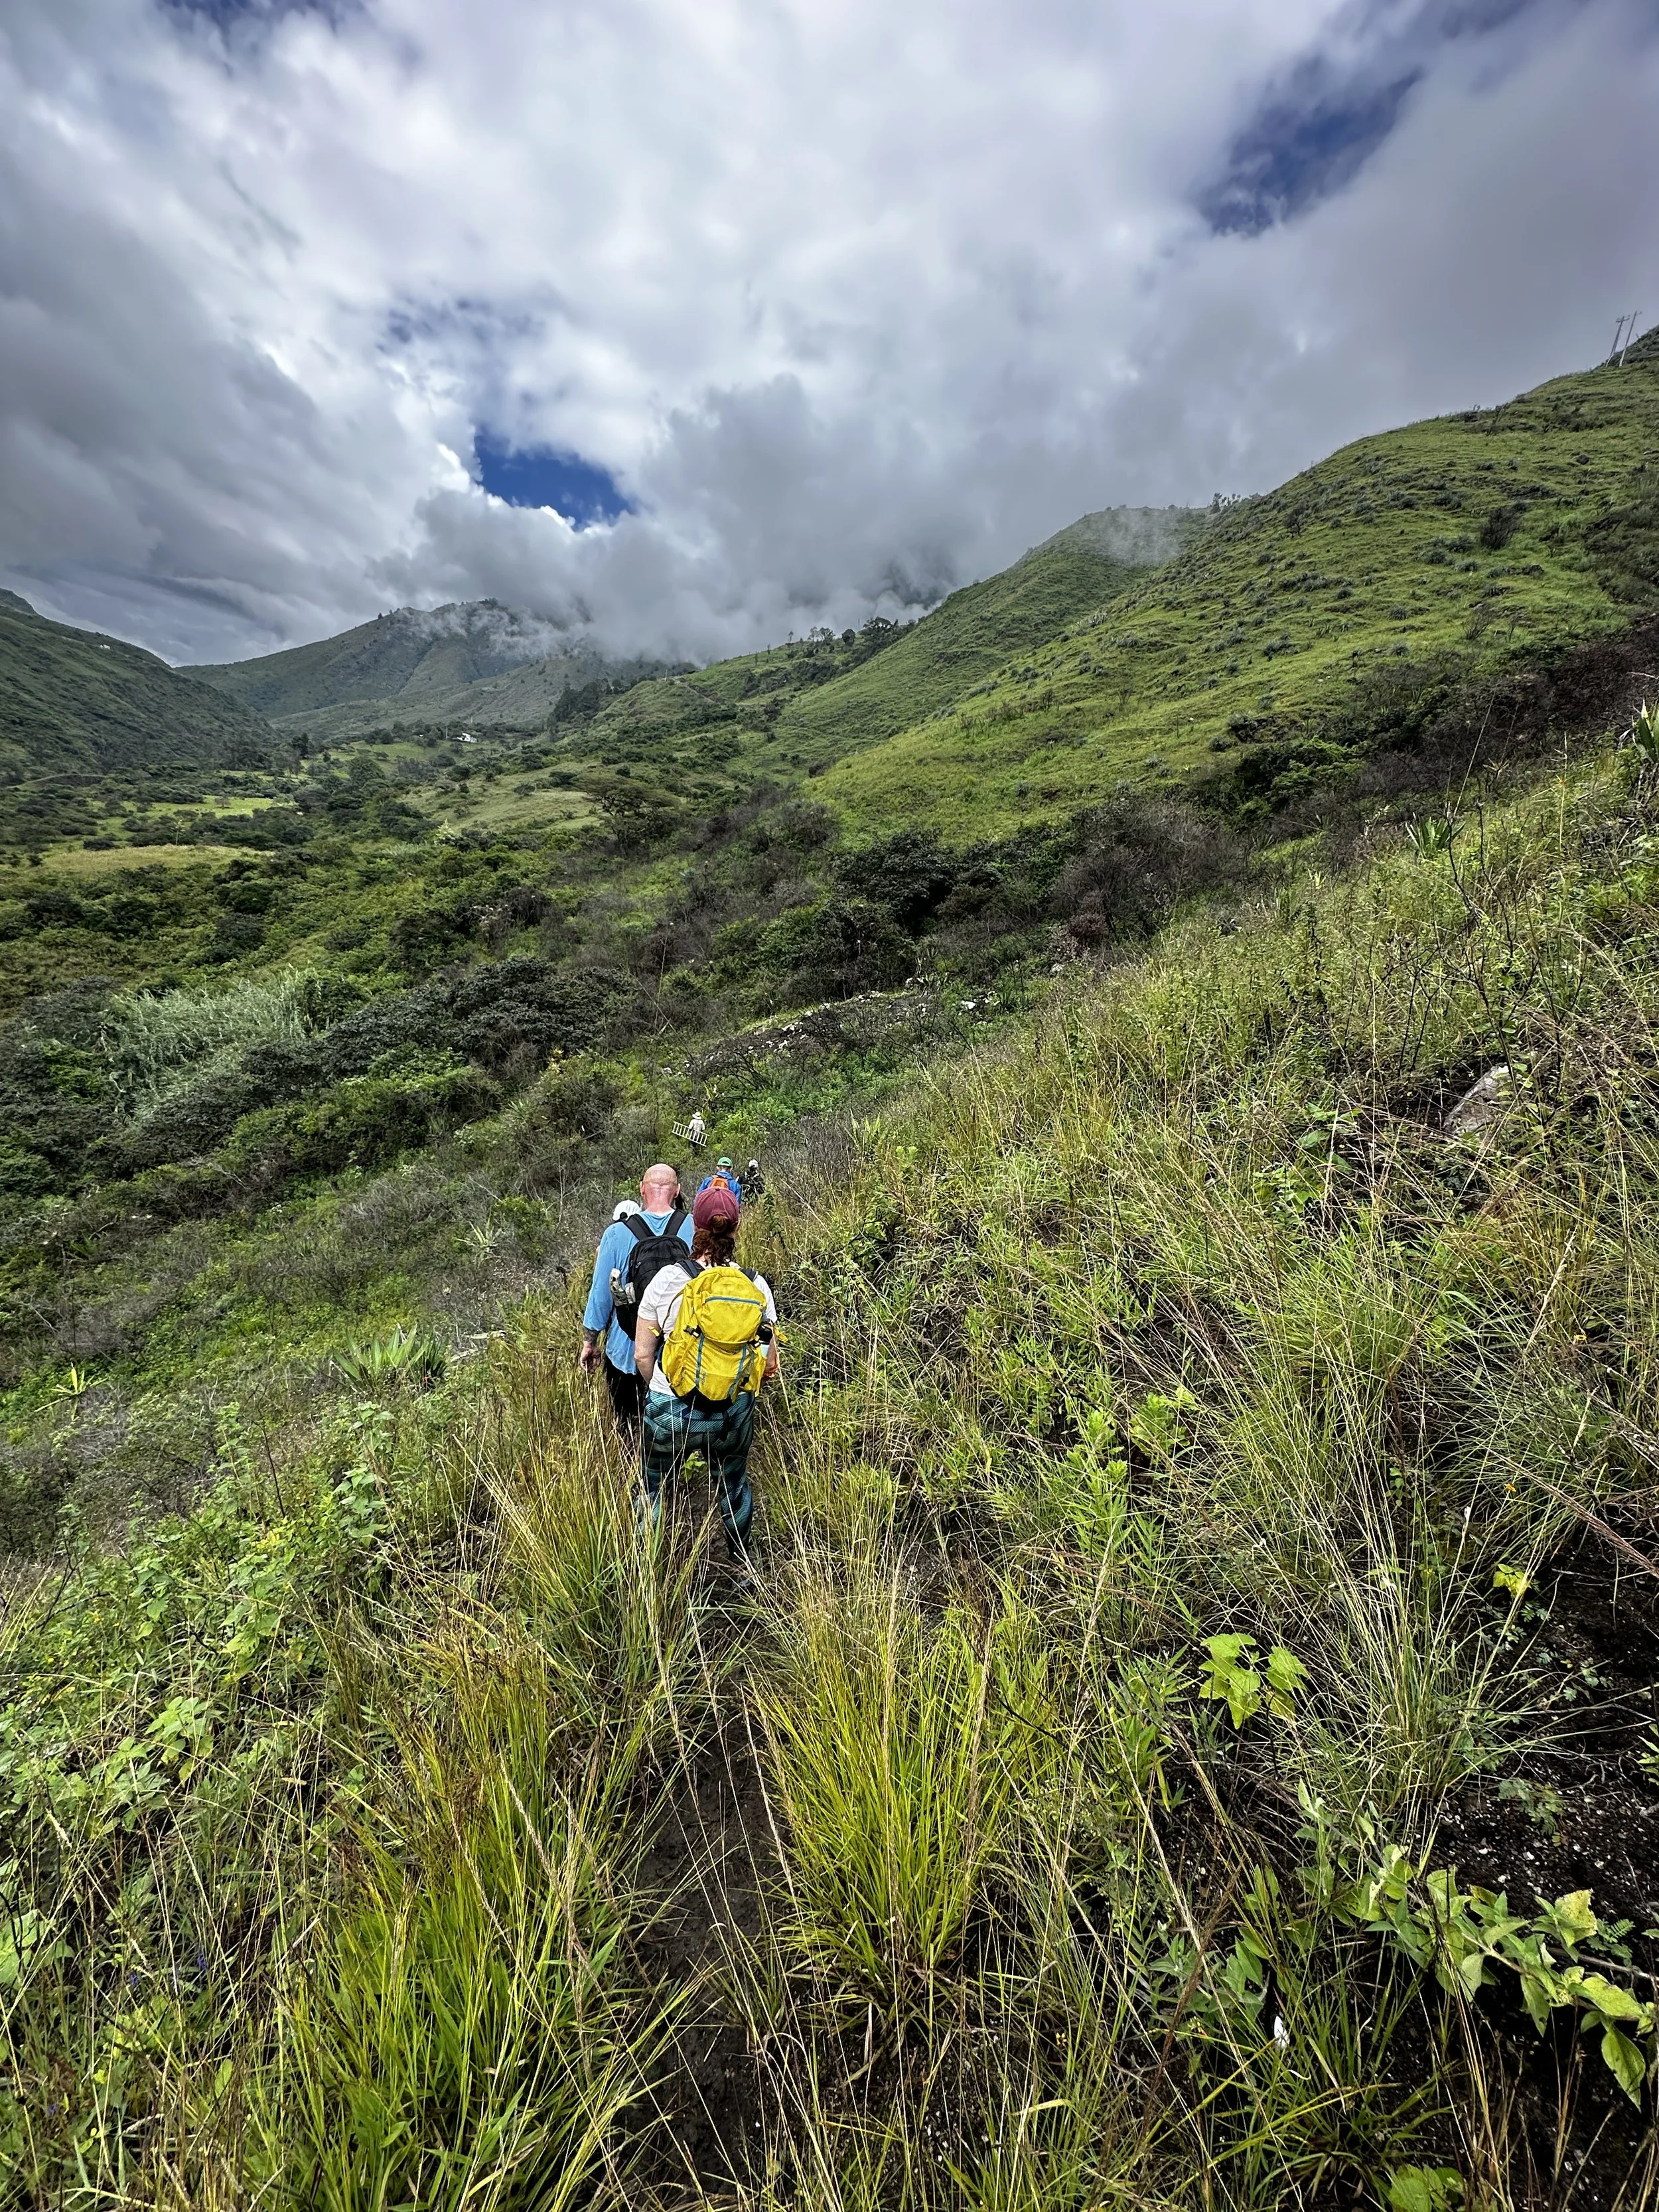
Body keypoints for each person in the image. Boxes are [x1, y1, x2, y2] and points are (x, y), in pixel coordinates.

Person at [633, 1181, 779, 1562]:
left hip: (670, 1409)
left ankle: (646, 1573)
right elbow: (769, 1363)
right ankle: (745, 1567)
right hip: (731, 1412)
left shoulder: (668, 1280)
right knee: (733, 1484)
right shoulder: (755, 1285)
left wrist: (665, 1389)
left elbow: (642, 1356)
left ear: (694, 1225)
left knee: (654, 1486)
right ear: (736, 1227)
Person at [579, 1164, 692, 1436]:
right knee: (680, 1428)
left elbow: (601, 1294)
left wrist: (590, 1342)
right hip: (682, 1349)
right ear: (677, 1191)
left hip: (626, 1352)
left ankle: (636, 1471)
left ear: (642, 1190)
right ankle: (676, 1471)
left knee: (631, 1428)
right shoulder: (694, 1226)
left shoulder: (616, 1234)